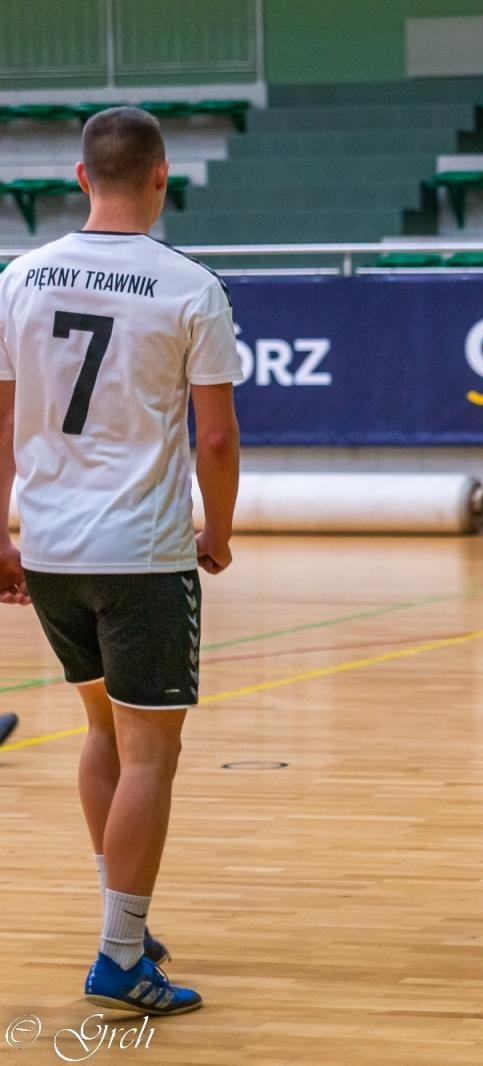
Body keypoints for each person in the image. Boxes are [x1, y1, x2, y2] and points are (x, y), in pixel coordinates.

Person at [0, 106, 242, 1013]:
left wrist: (1, 530)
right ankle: (120, 956)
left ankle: (125, 926)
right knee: (150, 755)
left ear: (79, 175)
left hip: (50, 546)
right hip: (140, 551)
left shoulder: (19, 277)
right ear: (161, 177)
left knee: (101, 735)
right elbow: (214, 436)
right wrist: (217, 528)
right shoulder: (190, 285)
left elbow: (1, 418)